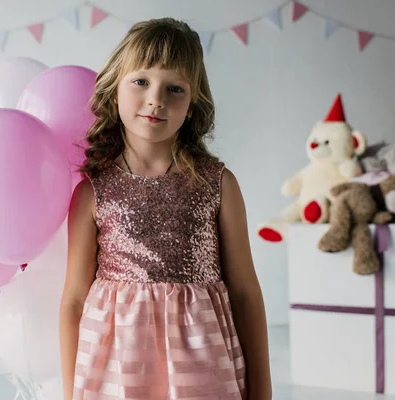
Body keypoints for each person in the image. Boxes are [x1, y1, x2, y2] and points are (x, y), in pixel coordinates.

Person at [59, 17, 272, 400]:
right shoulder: (93, 192)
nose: (156, 99)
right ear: (113, 91)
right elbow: (74, 299)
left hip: (203, 366)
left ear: (192, 105)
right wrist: (69, 392)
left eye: (174, 88)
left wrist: (262, 390)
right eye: (141, 81)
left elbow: (244, 292)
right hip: (116, 370)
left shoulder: (218, 184)